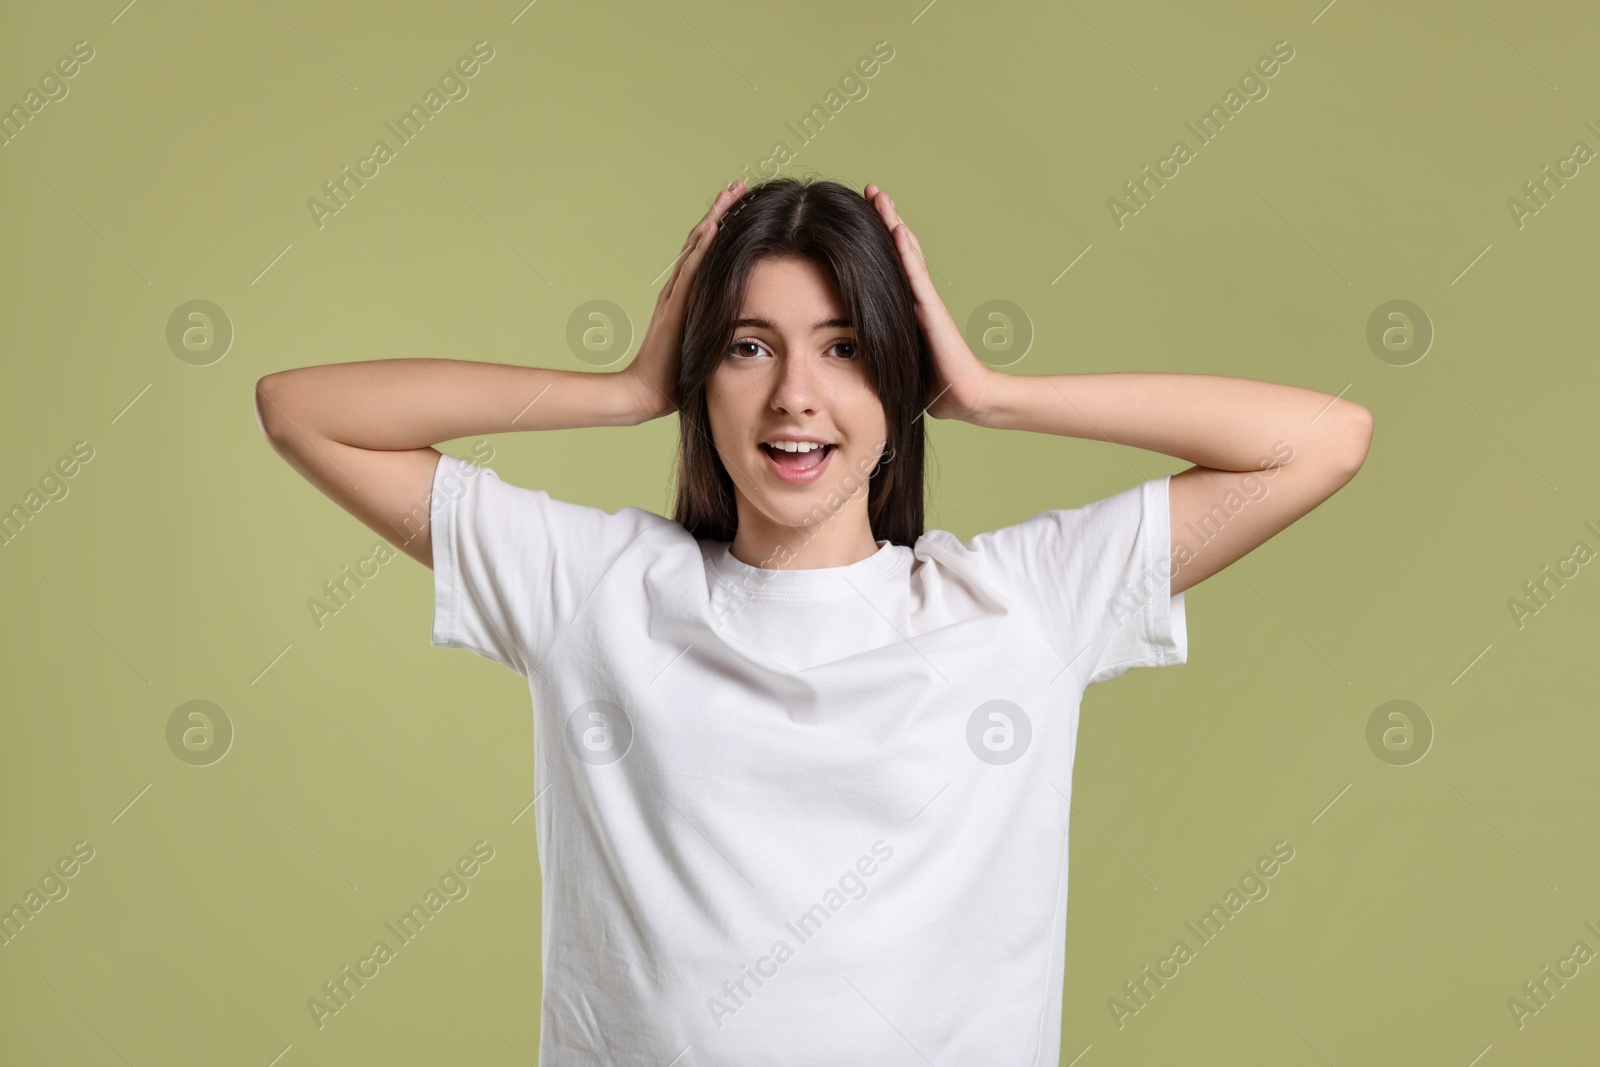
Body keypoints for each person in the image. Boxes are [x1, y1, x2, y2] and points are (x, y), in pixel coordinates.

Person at [254, 175, 1372, 1065]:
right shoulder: (595, 589)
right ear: (708, 376)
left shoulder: (1020, 604)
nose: (796, 393)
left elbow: (1322, 439)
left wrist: (990, 392)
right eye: (749, 346)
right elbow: (302, 411)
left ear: (900, 371)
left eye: (844, 347)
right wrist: (623, 386)